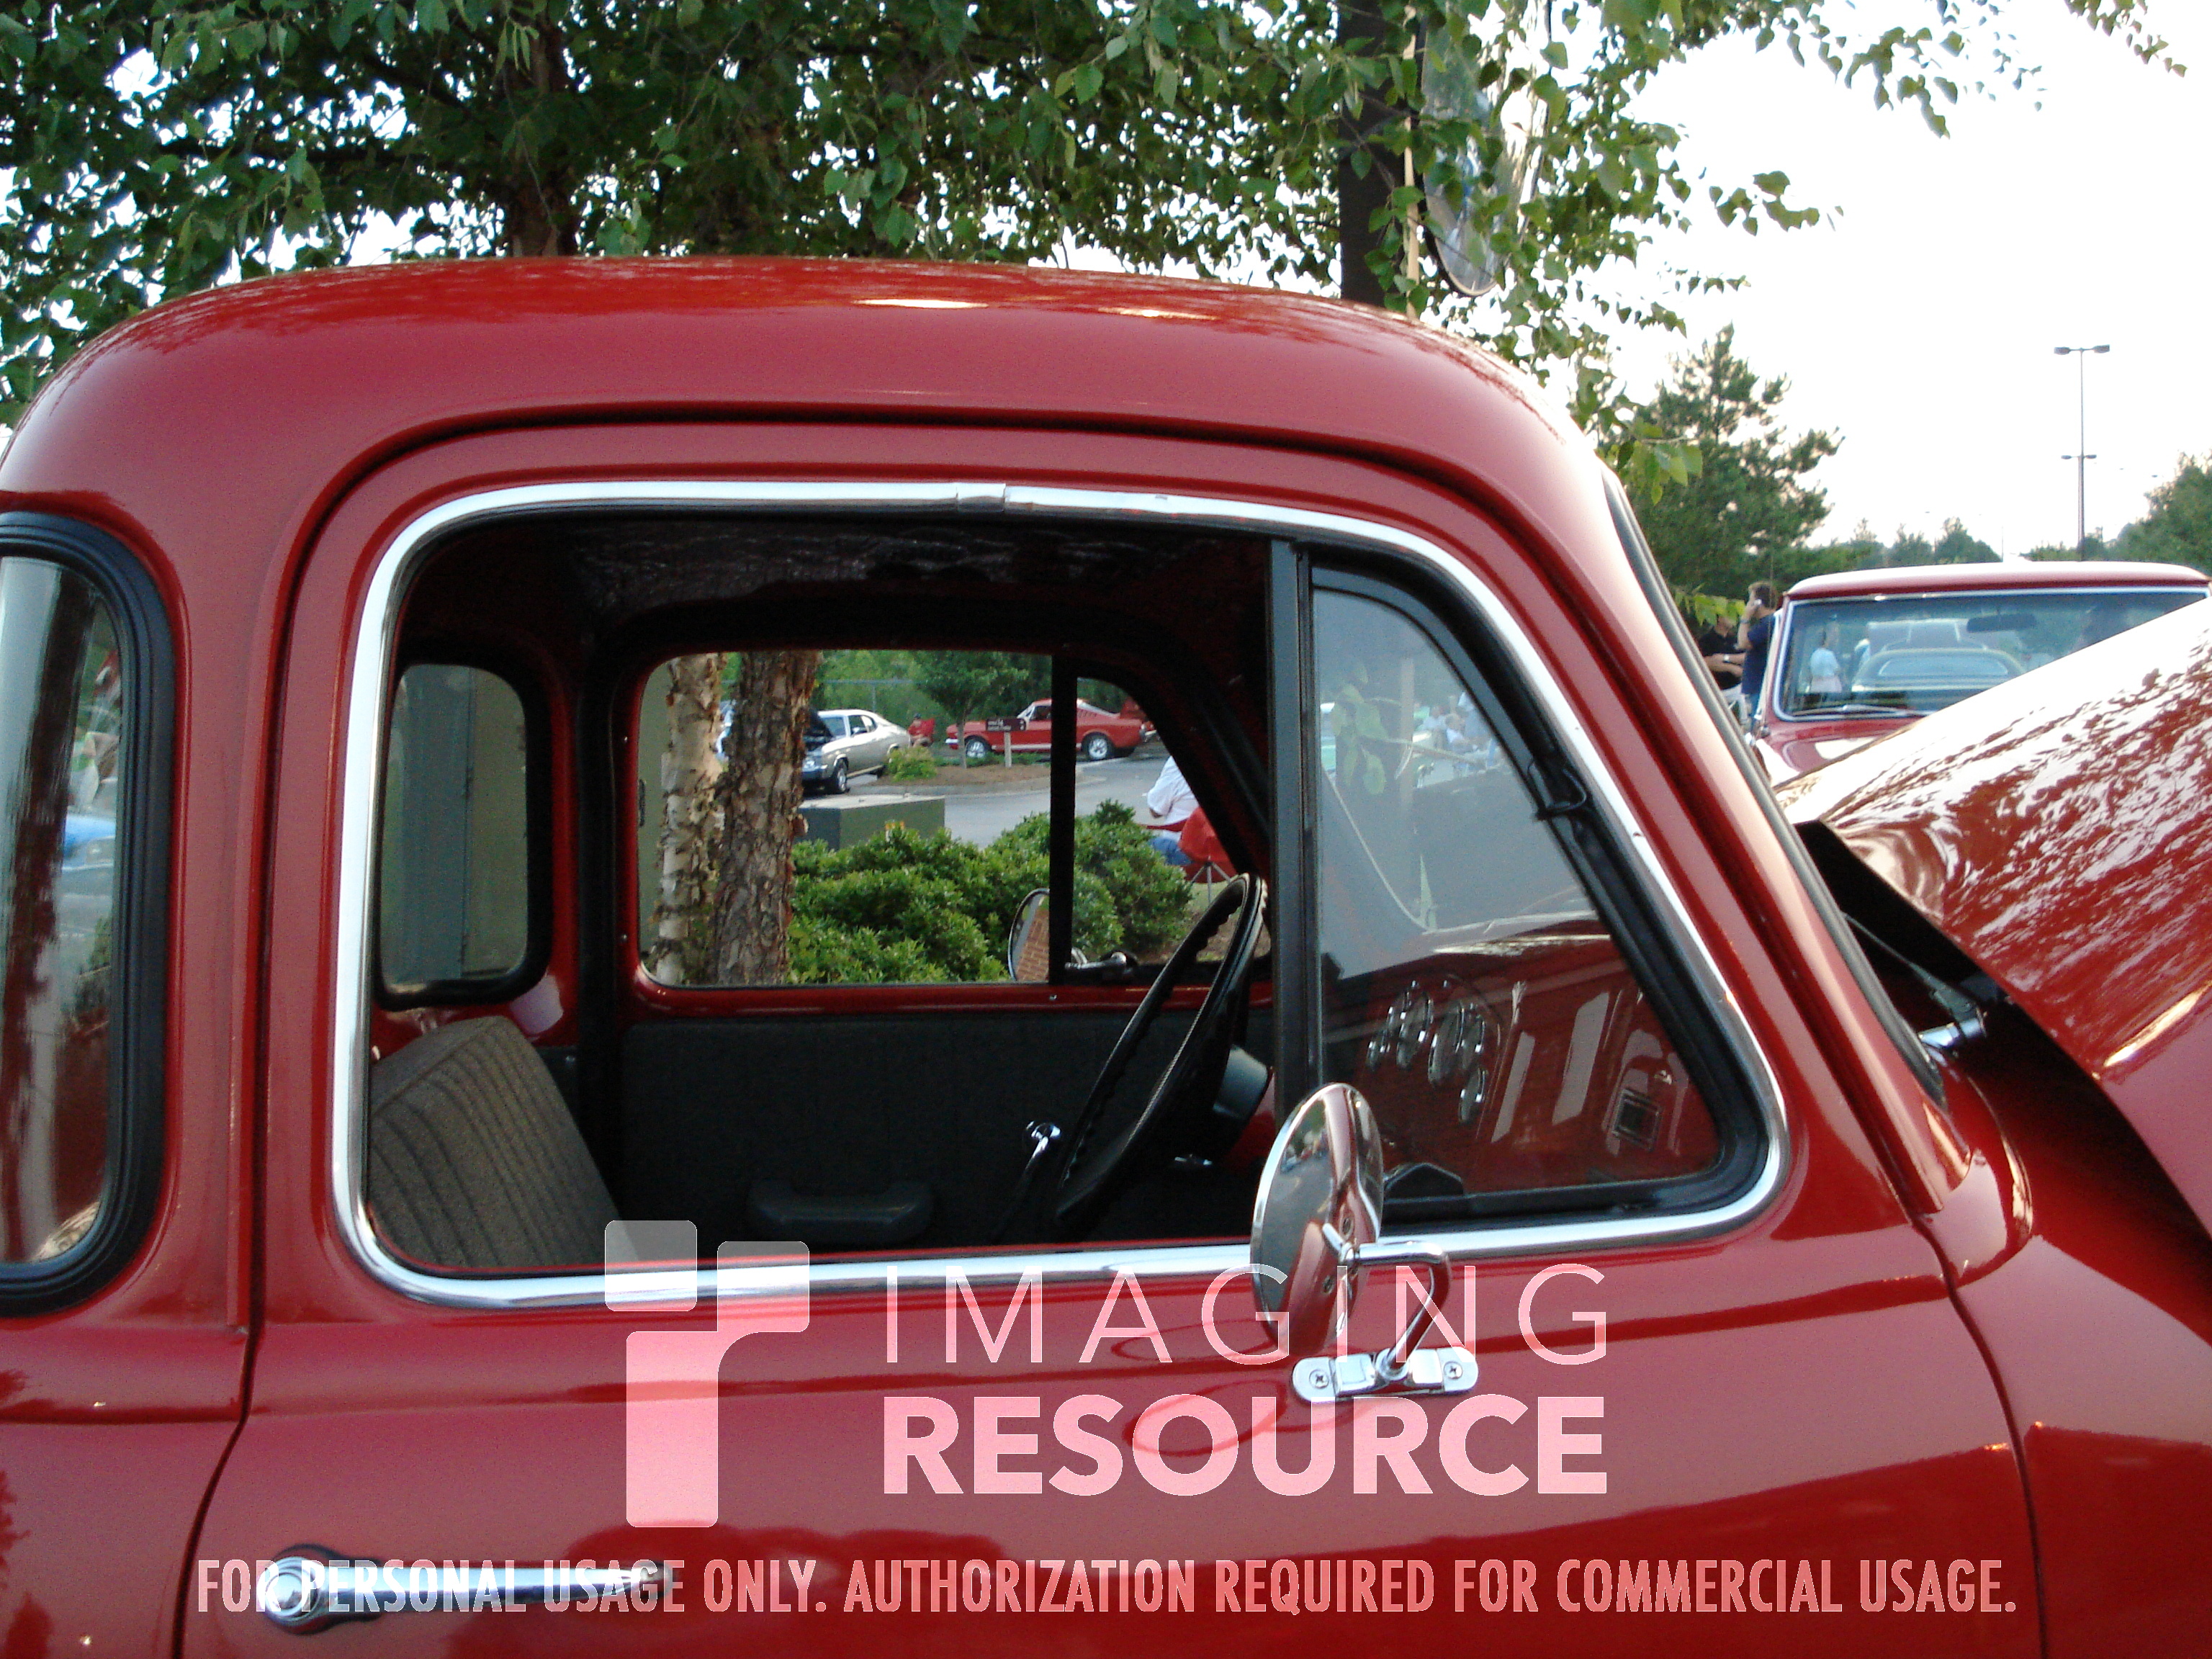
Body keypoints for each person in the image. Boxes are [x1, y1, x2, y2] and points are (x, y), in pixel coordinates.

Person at [1145, 752, 1197, 866]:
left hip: (1185, 852)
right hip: (1220, 855)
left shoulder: (1176, 765)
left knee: (1131, 847)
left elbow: (1156, 811)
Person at [1737, 582, 1779, 723]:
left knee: (1756, 724)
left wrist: (1745, 618)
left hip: (1760, 687)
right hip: (1760, 685)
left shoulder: (1767, 623)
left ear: (1758, 603)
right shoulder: (1771, 621)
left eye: (1751, 600)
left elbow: (1743, 643)